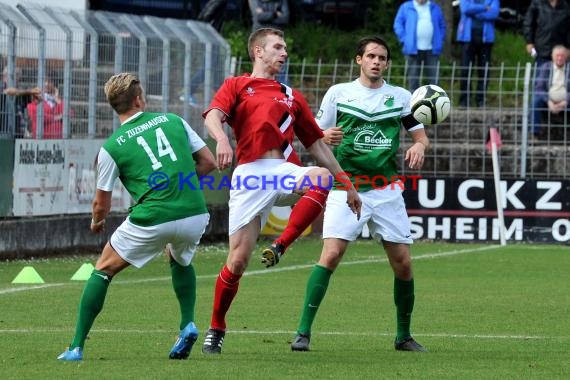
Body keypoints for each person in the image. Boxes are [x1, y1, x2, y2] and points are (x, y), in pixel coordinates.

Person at [200, 27, 362, 355]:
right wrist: (221, 138)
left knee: (320, 178)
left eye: (285, 47)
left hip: (283, 171)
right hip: (249, 176)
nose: (284, 52)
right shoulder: (237, 85)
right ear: (258, 52)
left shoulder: (290, 94)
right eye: (277, 47)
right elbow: (213, 117)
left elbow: (317, 144)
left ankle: (281, 244)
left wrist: (347, 183)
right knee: (238, 261)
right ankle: (217, 326)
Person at [57, 72, 216, 361]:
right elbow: (209, 162)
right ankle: (187, 324)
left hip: (153, 217)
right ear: (140, 99)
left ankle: (76, 347)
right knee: (180, 258)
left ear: (113, 106)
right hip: (194, 213)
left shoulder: (112, 147)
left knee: (103, 269)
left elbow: (100, 204)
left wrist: (97, 222)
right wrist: (179, 185)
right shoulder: (173, 121)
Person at [290, 35, 429, 353]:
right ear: (359, 60)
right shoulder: (339, 93)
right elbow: (314, 135)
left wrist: (419, 146)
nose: (377, 62)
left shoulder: (401, 97)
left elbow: (420, 136)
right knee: (331, 255)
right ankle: (302, 332)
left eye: (382, 57)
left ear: (388, 63)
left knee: (403, 264)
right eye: (371, 56)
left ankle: (403, 336)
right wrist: (325, 135)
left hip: (386, 190)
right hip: (345, 186)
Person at [393, 0, 446, 92]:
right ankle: (414, 103)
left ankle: (435, 103)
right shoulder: (405, 7)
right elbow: (398, 24)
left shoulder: (435, 7)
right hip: (412, 49)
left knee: (435, 80)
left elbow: (442, 26)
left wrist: (440, 40)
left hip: (432, 49)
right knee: (413, 79)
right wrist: (405, 40)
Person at [456, 0, 500, 107]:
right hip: (467, 39)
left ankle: (481, 100)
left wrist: (474, 12)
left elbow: (494, 13)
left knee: (483, 71)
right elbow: (465, 9)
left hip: (486, 40)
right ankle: (464, 100)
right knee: (466, 70)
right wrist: (485, 7)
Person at [531, 45, 569, 139]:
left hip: (566, 100)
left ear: (566, 57)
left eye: (562, 55)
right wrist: (549, 101)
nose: (560, 58)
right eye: (557, 55)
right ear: (552, 56)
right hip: (548, 100)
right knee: (535, 101)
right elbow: (539, 88)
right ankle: (534, 133)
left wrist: (565, 101)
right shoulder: (546, 67)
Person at [248, 0, 290, 84]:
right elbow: (259, 17)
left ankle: (284, 95)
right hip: (260, 40)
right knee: (261, 69)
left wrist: (266, 14)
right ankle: (259, 92)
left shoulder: (282, 1)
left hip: (277, 40)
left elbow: (285, 19)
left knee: (281, 70)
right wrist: (275, 14)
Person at [523, 0, 570, 66]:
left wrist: (568, 47)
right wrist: (529, 42)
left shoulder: (566, 6)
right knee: (541, 74)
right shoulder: (536, 3)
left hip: (560, 51)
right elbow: (528, 23)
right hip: (541, 50)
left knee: (560, 74)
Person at [1, 66, 40, 138]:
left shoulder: (20, 93)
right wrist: (30, 91)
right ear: (5, 77)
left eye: (18, 76)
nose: (17, 79)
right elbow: (9, 91)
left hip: (18, 133)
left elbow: (36, 100)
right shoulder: (2, 87)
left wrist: (37, 95)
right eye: (15, 76)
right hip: (4, 133)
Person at [26, 74, 64, 139]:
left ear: (54, 85)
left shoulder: (57, 101)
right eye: (44, 81)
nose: (46, 84)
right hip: (42, 139)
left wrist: (57, 99)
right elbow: (37, 116)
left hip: (58, 141)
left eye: (49, 81)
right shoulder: (35, 102)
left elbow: (68, 114)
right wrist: (56, 117)